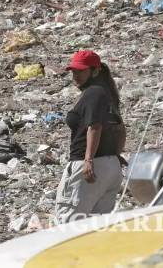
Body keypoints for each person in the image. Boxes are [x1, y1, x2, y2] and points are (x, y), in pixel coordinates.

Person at [56, 49, 125, 223]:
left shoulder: (93, 93)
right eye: (74, 71)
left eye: (81, 71)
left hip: (89, 168)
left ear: (95, 71)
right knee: (97, 226)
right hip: (110, 167)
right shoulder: (107, 94)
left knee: (69, 223)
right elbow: (120, 128)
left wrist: (88, 160)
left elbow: (94, 127)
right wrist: (115, 155)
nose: (76, 75)